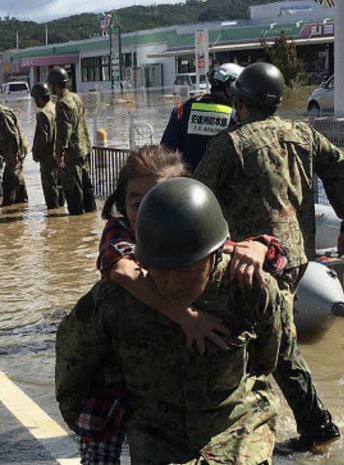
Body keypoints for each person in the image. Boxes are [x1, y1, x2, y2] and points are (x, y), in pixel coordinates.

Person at [67, 145, 287, 464]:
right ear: (123, 204)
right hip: (122, 393)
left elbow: (239, 254)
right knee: (100, 442)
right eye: (138, 203)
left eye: (162, 199)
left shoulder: (198, 237)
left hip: (211, 416)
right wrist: (185, 315)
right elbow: (122, 272)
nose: (153, 211)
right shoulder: (120, 239)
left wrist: (258, 246)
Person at [195, 62, 344, 455]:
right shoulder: (303, 134)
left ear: (239, 102)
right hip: (296, 255)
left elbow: (196, 199)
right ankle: (274, 422)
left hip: (254, 261)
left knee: (276, 343)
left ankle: (316, 427)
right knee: (270, 336)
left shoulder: (229, 145)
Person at [160, 62, 242, 171]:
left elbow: (165, 152)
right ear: (230, 89)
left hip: (187, 179)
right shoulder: (235, 117)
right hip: (220, 180)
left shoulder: (182, 110)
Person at [47, 67, 96, 215]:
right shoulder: (75, 97)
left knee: (73, 189)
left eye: (50, 84)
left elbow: (64, 131)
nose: (49, 87)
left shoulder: (62, 103)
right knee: (86, 185)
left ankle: (77, 219)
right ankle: (91, 217)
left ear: (55, 85)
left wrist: (59, 153)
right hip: (84, 148)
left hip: (72, 153)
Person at [30, 83, 64, 210]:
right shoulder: (55, 108)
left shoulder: (43, 114)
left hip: (47, 157)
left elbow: (42, 138)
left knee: (50, 189)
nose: (35, 102)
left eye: (35, 99)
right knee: (59, 186)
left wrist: (36, 154)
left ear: (39, 98)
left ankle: (53, 215)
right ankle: (61, 212)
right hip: (58, 154)